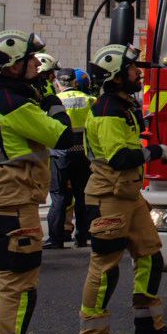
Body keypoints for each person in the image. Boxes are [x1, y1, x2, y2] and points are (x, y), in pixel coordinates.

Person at [0, 29, 76, 334]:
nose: (37, 65)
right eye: (31, 61)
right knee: (19, 289)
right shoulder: (17, 105)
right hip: (16, 204)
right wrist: (52, 99)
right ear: (14, 67)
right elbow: (63, 136)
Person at [77, 43, 167, 334]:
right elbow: (118, 157)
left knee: (151, 257)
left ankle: (149, 330)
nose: (137, 73)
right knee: (105, 269)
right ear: (115, 76)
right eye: (131, 69)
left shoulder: (121, 104)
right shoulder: (108, 110)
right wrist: (155, 152)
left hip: (128, 195)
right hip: (108, 197)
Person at [45, 68, 94, 249]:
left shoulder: (55, 102)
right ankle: (81, 236)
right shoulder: (89, 100)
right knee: (81, 196)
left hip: (59, 155)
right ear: (75, 82)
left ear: (57, 83)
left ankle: (56, 238)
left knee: (58, 196)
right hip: (82, 154)